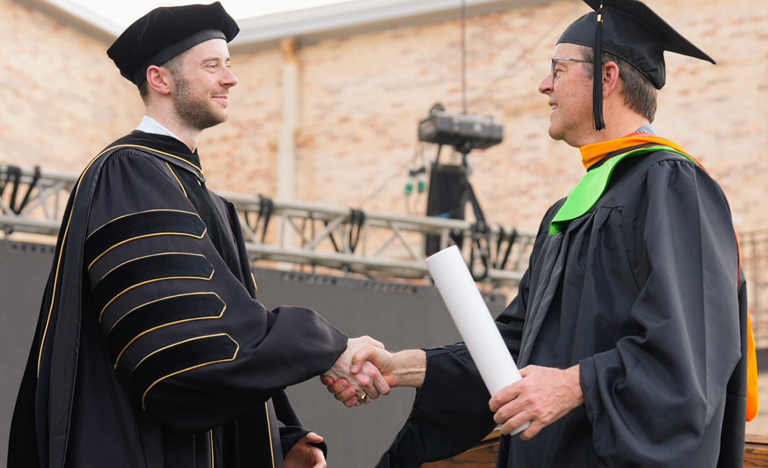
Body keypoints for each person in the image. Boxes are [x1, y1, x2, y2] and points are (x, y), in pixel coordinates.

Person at [323, 0, 759, 467]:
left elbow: (691, 353)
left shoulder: (672, 186)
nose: (544, 85)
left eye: (558, 69)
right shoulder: (567, 212)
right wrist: (405, 367)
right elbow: (513, 350)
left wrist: (574, 385)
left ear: (607, 78)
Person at [7, 3, 389, 467]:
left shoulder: (194, 191)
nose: (230, 79)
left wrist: (281, 438)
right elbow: (183, 348)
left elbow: (228, 322)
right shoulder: (130, 173)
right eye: (212, 65)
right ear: (160, 80)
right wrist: (329, 347)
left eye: (229, 64)